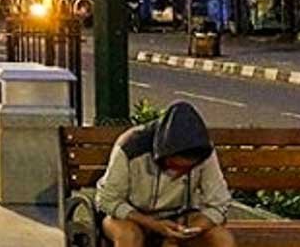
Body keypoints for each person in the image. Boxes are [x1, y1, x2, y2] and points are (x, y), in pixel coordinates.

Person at [95, 101, 234, 247]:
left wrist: (191, 229)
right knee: (128, 236)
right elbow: (107, 200)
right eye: (173, 166)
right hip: (132, 215)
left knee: (221, 238)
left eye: (187, 170)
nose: (177, 174)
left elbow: (219, 202)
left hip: (179, 216)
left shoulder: (203, 151)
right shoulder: (130, 146)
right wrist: (152, 224)